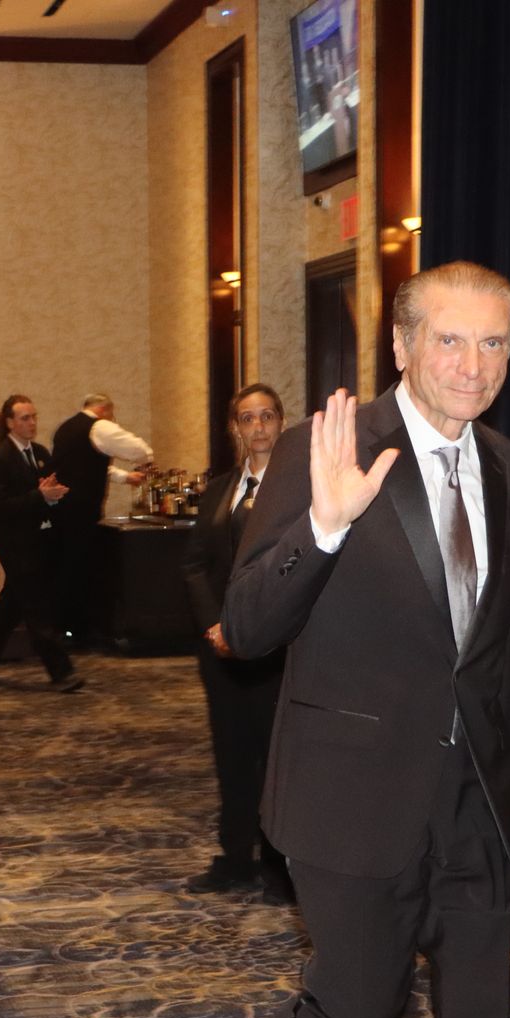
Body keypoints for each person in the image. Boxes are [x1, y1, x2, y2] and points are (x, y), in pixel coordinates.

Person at [187, 261, 510, 1018]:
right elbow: (249, 625)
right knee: (357, 1006)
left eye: (492, 343)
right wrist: (327, 524)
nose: (471, 365)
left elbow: (483, 652)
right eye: (449, 339)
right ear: (401, 345)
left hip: (475, 800)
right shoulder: (325, 447)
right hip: (353, 791)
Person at [181, 383, 294, 904]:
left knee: (275, 758)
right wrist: (215, 625)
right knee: (231, 755)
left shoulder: (298, 490)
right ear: (236, 429)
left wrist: (264, 625)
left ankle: (279, 866)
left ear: (281, 422)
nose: (259, 426)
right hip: (221, 648)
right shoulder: (220, 489)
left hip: (276, 650)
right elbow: (195, 564)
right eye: (248, 418)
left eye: (267, 416)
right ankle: (234, 859)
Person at [0, 396, 84, 693]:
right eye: (25, 418)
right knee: (37, 608)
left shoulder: (40, 453)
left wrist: (53, 495)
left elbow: (47, 492)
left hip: (42, 541)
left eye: (34, 417)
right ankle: (61, 672)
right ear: (10, 423)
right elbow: (0, 508)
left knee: (11, 606)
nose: (32, 423)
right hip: (16, 545)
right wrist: (39, 496)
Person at [50, 394, 154, 644]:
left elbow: (89, 465)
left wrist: (125, 478)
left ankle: (66, 629)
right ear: (104, 409)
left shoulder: (65, 429)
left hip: (62, 509)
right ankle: (83, 630)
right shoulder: (99, 426)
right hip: (83, 510)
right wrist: (147, 459)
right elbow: (137, 449)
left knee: (69, 566)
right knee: (83, 568)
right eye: (111, 414)